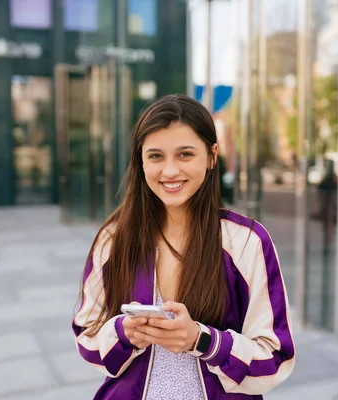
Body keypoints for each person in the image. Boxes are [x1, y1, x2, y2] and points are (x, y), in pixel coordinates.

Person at [72, 95, 295, 399]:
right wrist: (125, 333)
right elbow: (86, 336)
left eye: (185, 154)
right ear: (140, 161)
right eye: (155, 156)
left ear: (212, 156)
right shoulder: (114, 239)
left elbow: (275, 359)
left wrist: (201, 341)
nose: (170, 171)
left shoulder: (246, 242)